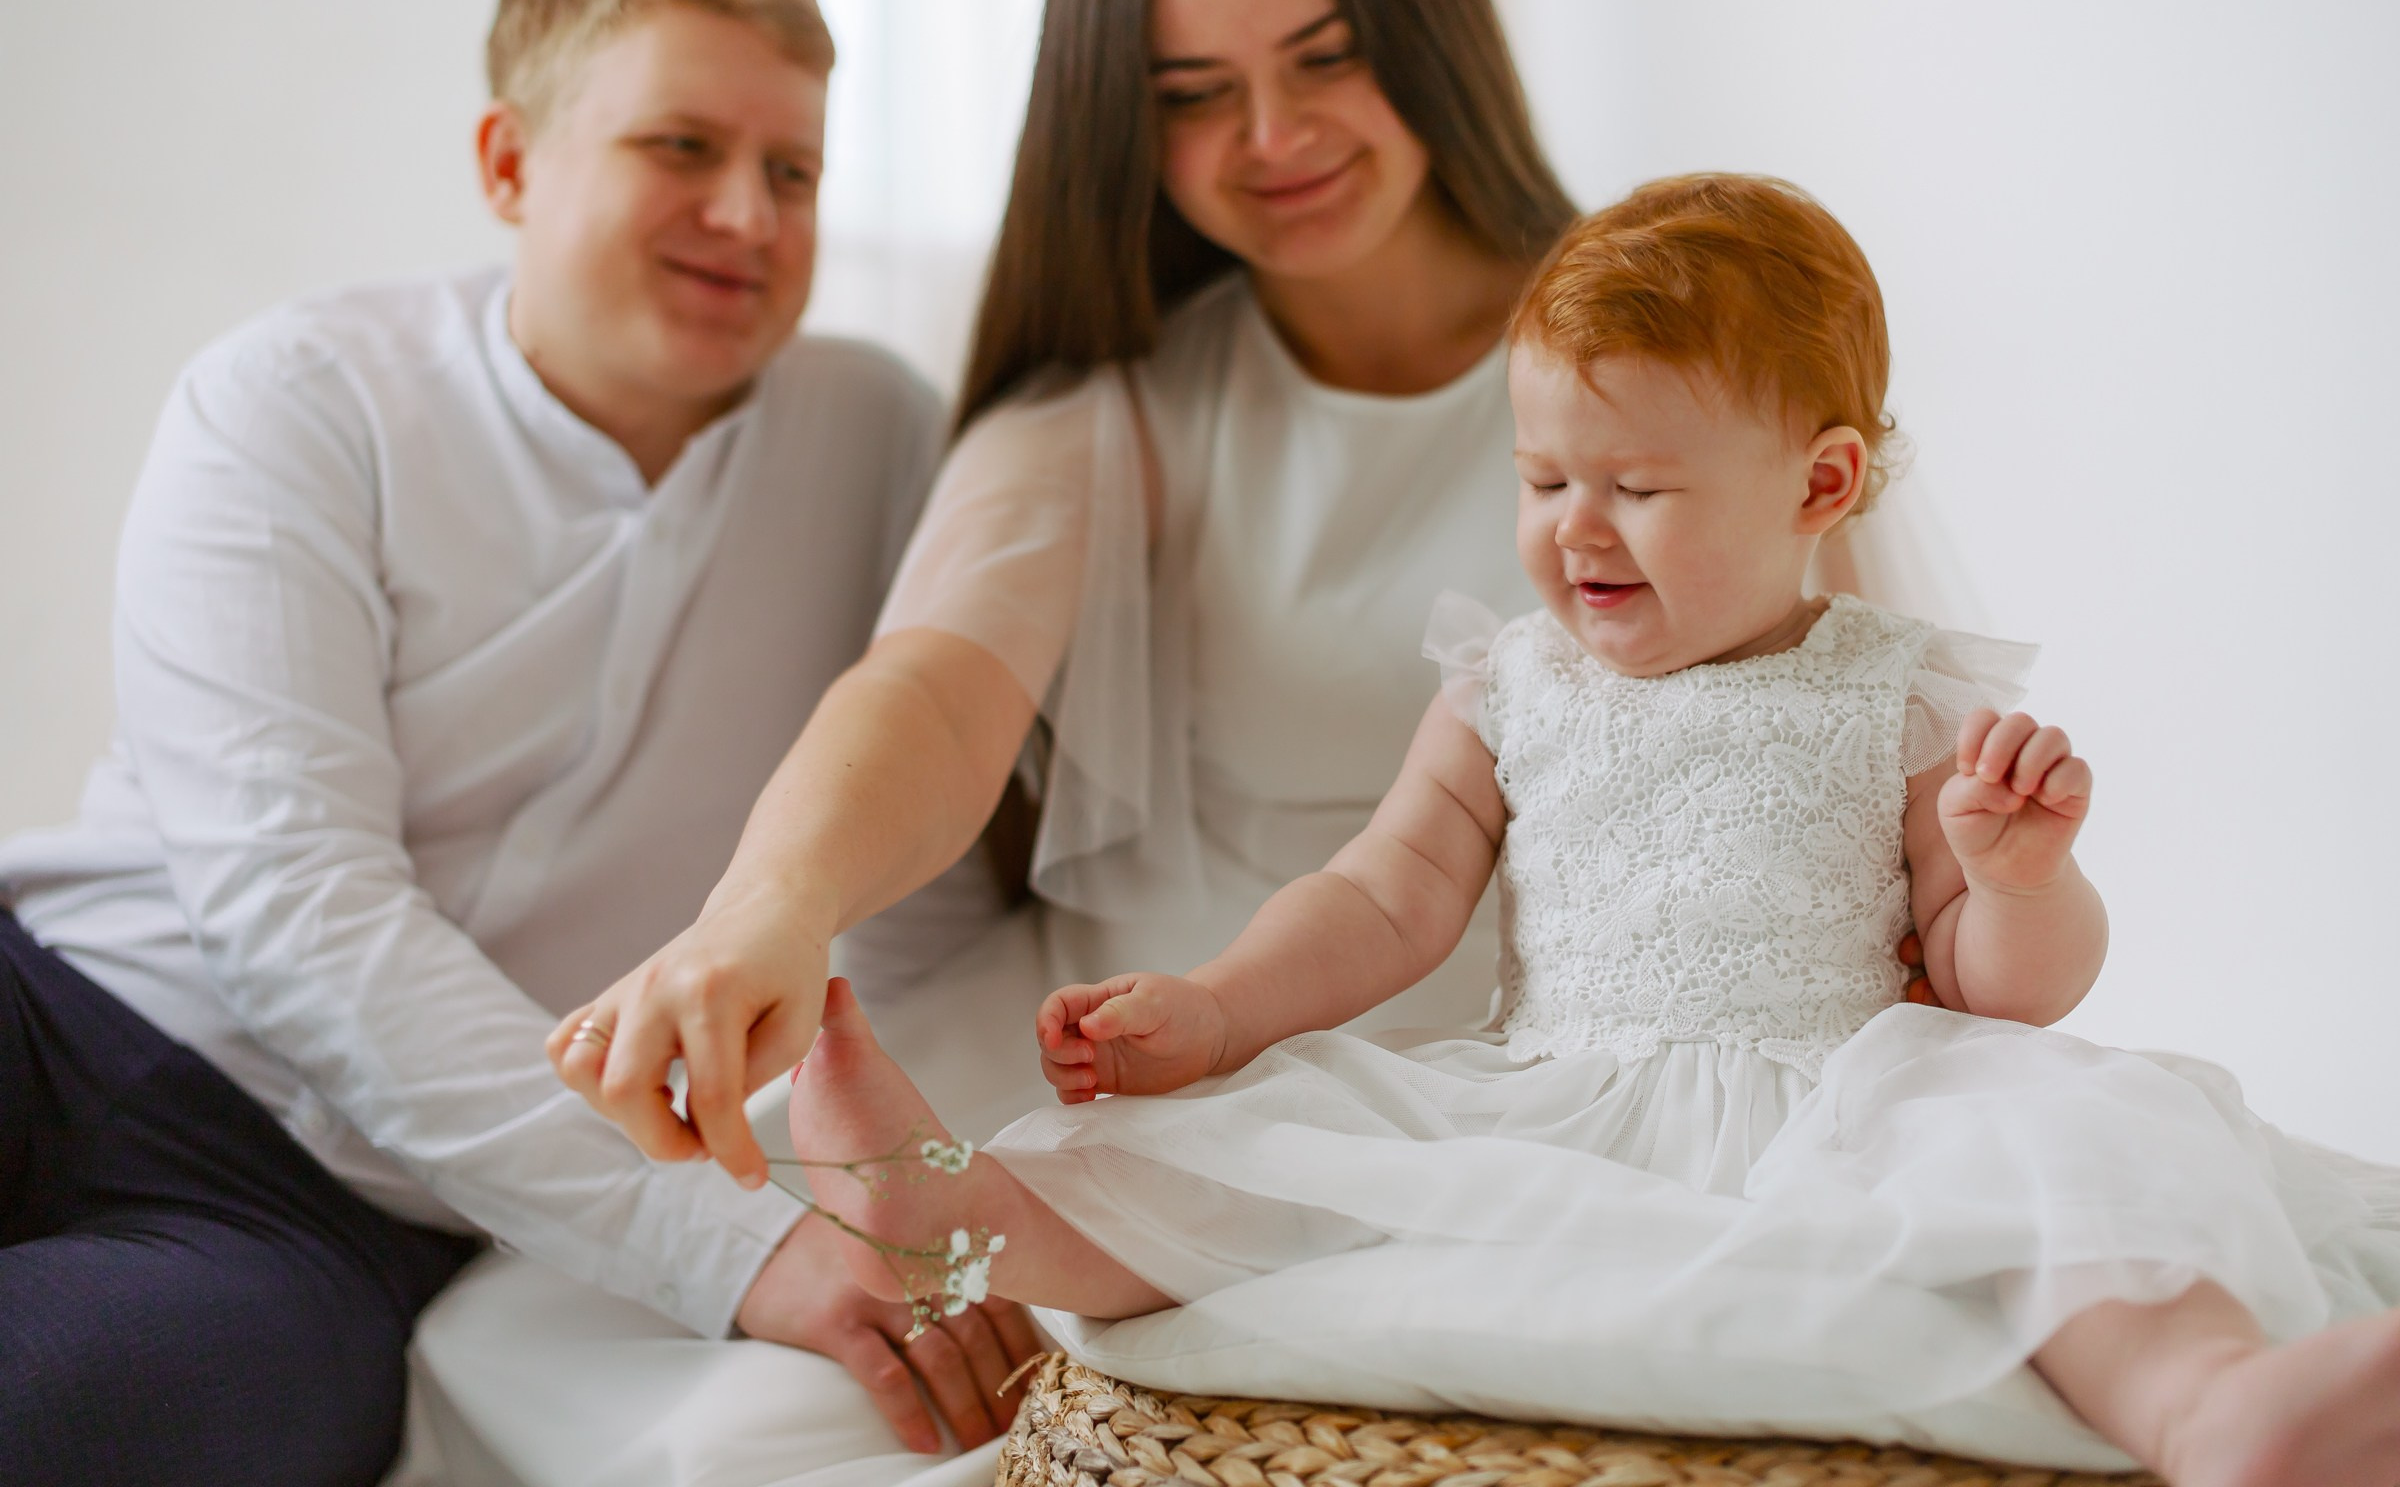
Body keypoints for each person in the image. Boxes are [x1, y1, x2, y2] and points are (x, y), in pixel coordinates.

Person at [780, 175, 2400, 1486]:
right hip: (1557, 1090)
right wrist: (1217, 1011)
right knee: (1260, 1159)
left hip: (1850, 1094)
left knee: (2064, 1158)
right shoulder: (1508, 686)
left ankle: (2213, 1409)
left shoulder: (1897, 695)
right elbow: (1387, 893)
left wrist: (2017, 877)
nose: (1574, 531)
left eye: (1635, 484)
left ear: (1821, 486)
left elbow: (2003, 993)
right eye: (1542, 478)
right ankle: (956, 1203)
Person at [558, 0, 1933, 1190]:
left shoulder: (1710, 366)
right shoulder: (1110, 412)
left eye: (1324, 60)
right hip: (1158, 1063)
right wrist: (772, 906)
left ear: (1431, 37)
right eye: (1193, 96)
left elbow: (1831, 731)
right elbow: (933, 690)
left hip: (1585, 1097)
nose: (1272, 137)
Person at [0, 0, 1038, 1487]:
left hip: (328, 1215)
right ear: (509, 163)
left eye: (797, 173)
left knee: (77, 1424)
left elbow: (924, 863)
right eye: (681, 146)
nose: (747, 215)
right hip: (59, 1007)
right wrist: (730, 1248)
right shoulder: (296, 397)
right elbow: (293, 899)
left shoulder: (885, 443)